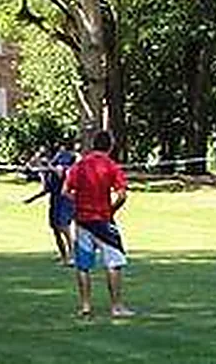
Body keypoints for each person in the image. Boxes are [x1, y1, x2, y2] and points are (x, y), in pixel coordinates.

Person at [64, 130, 133, 318]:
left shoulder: (79, 166)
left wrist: (79, 203)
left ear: (93, 144)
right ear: (110, 146)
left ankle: (85, 306)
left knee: (83, 265)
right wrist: (111, 210)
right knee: (113, 262)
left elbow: (65, 192)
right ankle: (116, 307)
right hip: (103, 221)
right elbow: (122, 195)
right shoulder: (111, 166)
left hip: (82, 221)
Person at [23, 140, 77, 265]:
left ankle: (72, 255)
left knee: (64, 227)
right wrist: (32, 198)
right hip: (54, 200)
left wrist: (47, 166)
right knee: (55, 229)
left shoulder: (62, 162)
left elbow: (60, 172)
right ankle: (64, 256)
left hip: (64, 200)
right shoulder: (45, 171)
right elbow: (46, 189)